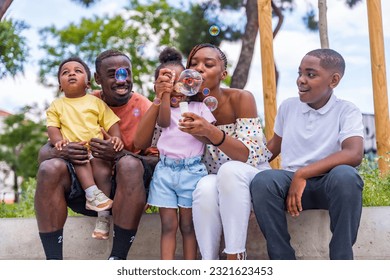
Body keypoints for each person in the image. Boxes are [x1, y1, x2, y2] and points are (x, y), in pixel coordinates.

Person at [35, 49, 158, 260]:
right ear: (97, 79)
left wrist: (120, 154)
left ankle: (117, 259)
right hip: (86, 190)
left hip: (128, 192)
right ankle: (53, 262)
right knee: (49, 167)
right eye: (113, 74)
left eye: (126, 73)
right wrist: (62, 150)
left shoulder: (145, 107)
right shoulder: (81, 101)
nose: (122, 80)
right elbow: (44, 154)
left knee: (128, 164)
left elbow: (161, 160)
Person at [250, 48, 364, 260]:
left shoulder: (346, 110)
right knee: (263, 180)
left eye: (311, 75)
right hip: (291, 188)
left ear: (334, 80)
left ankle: (342, 260)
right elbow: (272, 148)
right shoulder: (288, 107)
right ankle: (283, 261)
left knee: (347, 176)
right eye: (300, 73)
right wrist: (228, 148)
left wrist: (303, 174)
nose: (301, 80)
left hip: (328, 185)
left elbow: (354, 153)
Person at [174, 43, 271, 260]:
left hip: (251, 176)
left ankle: (235, 255)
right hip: (216, 182)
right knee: (205, 186)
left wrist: (210, 131)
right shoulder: (184, 107)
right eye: (193, 64)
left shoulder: (240, 98)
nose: (199, 68)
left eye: (208, 64)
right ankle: (210, 262)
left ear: (223, 74)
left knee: (228, 170)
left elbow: (250, 156)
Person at [135, 47, 216, 260]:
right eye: (168, 82)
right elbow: (162, 122)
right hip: (165, 172)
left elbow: (209, 139)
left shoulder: (198, 107)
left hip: (192, 171)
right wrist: (162, 96)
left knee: (188, 226)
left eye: (182, 81)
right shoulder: (164, 110)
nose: (176, 87)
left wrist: (197, 130)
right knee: (168, 225)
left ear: (191, 82)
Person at [47, 57, 124, 241]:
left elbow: (111, 123)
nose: (71, 73)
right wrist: (58, 141)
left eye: (77, 71)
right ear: (60, 86)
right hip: (74, 151)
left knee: (103, 170)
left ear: (88, 83)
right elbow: (52, 128)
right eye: (65, 73)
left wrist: (116, 138)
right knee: (80, 157)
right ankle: (92, 193)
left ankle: (103, 218)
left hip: (96, 151)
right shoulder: (57, 105)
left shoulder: (95, 103)